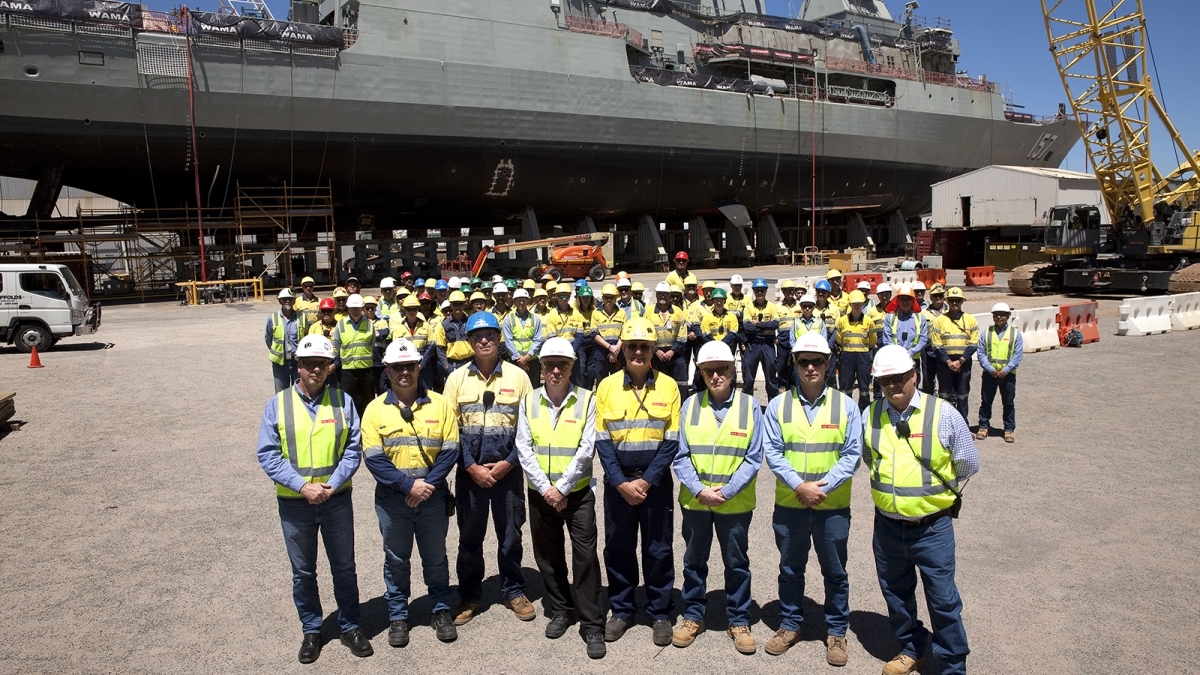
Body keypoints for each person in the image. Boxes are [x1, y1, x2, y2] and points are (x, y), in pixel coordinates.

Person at [255, 334, 371, 664]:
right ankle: (312, 630)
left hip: (335, 499)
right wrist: (303, 486)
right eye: (309, 364)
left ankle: (350, 627)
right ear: (298, 367)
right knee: (303, 572)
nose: (314, 370)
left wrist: (333, 484)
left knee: (344, 567)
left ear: (329, 368)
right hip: (295, 503)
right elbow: (268, 454)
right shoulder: (277, 404)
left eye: (321, 364)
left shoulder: (342, 401)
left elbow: (352, 450)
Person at [865, 345, 979, 675]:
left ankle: (952, 666)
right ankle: (911, 647)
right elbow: (870, 459)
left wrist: (929, 495)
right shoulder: (870, 414)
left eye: (899, 378)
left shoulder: (943, 413)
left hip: (932, 529)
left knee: (943, 601)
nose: (892, 385)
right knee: (896, 595)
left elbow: (968, 463)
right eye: (885, 380)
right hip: (886, 526)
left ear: (914, 375)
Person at [762, 332, 862, 664]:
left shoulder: (846, 405)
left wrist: (823, 487)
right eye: (803, 361)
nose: (810, 367)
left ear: (828, 363)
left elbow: (852, 454)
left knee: (835, 571)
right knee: (790, 569)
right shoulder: (778, 405)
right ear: (794, 364)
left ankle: (836, 632)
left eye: (816, 361)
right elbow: (773, 453)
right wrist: (799, 486)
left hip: (831, 506)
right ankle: (790, 625)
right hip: (791, 504)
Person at [362, 339, 461, 648]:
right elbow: (374, 458)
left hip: (432, 495)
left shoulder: (440, 404)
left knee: (435, 558)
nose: (404, 372)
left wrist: (425, 486)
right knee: (395, 559)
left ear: (419, 367)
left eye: (409, 366)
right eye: (396, 368)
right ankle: (398, 616)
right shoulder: (375, 410)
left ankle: (441, 610)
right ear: (387, 371)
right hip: (394, 499)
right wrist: (409, 486)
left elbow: (450, 449)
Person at [514, 338, 607, 660]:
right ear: (541, 368)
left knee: (585, 557)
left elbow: (587, 447)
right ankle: (560, 609)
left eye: (562, 365)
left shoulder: (587, 400)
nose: (555, 370)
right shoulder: (529, 401)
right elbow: (523, 447)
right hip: (541, 493)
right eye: (549, 364)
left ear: (572, 367)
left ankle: (592, 624)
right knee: (548, 557)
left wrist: (562, 488)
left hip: (577, 493)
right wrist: (546, 488)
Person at [442, 312, 535, 626]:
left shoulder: (518, 377)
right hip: (472, 475)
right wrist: (470, 467)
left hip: (508, 474)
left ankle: (513, 589)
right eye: (477, 335)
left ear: (499, 339)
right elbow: (449, 429)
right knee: (470, 538)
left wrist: (509, 463)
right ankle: (469, 595)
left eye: (490, 335)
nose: (484, 340)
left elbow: (528, 428)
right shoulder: (455, 379)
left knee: (510, 534)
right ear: (469, 341)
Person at [671, 341, 763, 655]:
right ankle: (693, 615)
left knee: (737, 563)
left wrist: (726, 491)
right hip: (696, 501)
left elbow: (753, 457)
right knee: (694, 561)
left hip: (733, 503)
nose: (716, 376)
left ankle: (738, 619)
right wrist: (699, 490)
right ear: (701, 373)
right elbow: (680, 455)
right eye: (709, 371)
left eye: (722, 369)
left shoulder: (749, 406)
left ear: (732, 369)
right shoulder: (690, 405)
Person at [595, 317, 681, 647]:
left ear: (653, 350)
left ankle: (660, 612)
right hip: (618, 485)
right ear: (624, 349)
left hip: (654, 484)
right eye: (632, 346)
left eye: (645, 347)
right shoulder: (606, 387)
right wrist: (619, 482)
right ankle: (622, 609)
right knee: (618, 548)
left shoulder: (669, 386)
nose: (638, 352)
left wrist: (647, 481)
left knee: (658, 549)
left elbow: (671, 440)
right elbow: (602, 440)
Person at [976, 302, 1022, 443]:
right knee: (986, 401)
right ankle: (983, 426)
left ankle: (1008, 429)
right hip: (990, 374)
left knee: (1008, 402)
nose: (999, 317)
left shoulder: (1015, 334)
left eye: (1002, 314)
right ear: (993, 316)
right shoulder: (986, 333)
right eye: (996, 314)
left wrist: (1006, 370)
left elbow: (1017, 355)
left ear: (1008, 316)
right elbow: (981, 353)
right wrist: (991, 369)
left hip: (1007, 375)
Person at [930, 288, 979, 421]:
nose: (954, 303)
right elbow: (936, 344)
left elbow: (974, 343)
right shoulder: (939, 320)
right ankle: (945, 424)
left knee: (962, 395)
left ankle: (963, 425)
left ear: (962, 301)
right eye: (951, 300)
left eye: (957, 300)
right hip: (945, 363)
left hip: (963, 362)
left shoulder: (970, 320)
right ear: (948, 302)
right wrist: (948, 362)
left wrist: (961, 360)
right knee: (944, 395)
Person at [332, 294, 378, 420]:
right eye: (352, 307)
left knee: (367, 401)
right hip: (348, 371)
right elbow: (336, 345)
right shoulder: (340, 325)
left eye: (357, 307)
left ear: (362, 308)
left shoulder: (369, 324)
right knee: (348, 402)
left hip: (366, 370)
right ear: (348, 308)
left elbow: (372, 344)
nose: (355, 310)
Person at [835, 290, 876, 410]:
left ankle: (864, 411)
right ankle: (846, 409)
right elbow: (839, 338)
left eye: (859, 303)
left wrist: (866, 350)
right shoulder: (842, 321)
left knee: (864, 386)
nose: (856, 305)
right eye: (854, 303)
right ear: (850, 304)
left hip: (863, 356)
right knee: (846, 384)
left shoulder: (869, 321)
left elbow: (872, 340)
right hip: (847, 355)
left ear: (863, 303)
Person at [646, 281, 688, 397]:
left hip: (676, 354)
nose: (662, 296)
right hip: (656, 354)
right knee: (660, 384)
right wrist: (655, 350)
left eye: (665, 294)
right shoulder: (648, 312)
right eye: (660, 294)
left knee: (681, 383)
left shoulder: (678, 312)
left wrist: (672, 351)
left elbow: (683, 334)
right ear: (656, 295)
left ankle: (683, 408)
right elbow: (646, 334)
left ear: (669, 296)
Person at [741, 278, 781, 399]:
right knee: (748, 377)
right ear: (753, 291)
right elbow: (747, 327)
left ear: (766, 291)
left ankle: (773, 405)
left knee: (771, 376)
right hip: (752, 345)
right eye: (757, 290)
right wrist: (765, 329)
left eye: (762, 290)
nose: (760, 293)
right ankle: (747, 405)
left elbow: (775, 324)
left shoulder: (772, 307)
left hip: (767, 345)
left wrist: (757, 324)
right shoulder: (748, 307)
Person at [882, 285, 927, 390]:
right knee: (895, 387)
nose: (905, 301)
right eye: (902, 299)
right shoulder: (890, 318)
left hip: (913, 359)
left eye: (908, 299)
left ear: (913, 301)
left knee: (912, 387)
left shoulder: (920, 318)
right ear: (898, 301)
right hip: (894, 359)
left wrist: (910, 353)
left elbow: (923, 340)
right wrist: (899, 354)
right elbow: (887, 340)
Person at [390, 295, 436, 390]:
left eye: (414, 309)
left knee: (425, 392)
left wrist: (422, 364)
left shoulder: (426, 325)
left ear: (417, 309)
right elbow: (396, 348)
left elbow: (431, 346)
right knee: (408, 391)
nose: (412, 312)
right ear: (405, 310)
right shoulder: (398, 328)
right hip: (406, 365)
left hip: (424, 364)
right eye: (409, 309)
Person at [267, 288, 308, 393]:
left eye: (290, 299)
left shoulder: (302, 317)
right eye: (284, 299)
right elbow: (268, 337)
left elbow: (306, 337)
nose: (287, 301)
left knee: (300, 392)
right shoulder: (273, 318)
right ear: (280, 301)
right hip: (280, 363)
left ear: (294, 300)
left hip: (298, 362)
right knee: (281, 394)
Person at [503, 289, 544, 385]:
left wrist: (526, 357)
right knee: (514, 387)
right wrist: (519, 359)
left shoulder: (535, 319)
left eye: (524, 300)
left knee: (533, 387)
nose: (521, 302)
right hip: (514, 361)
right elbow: (508, 341)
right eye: (518, 300)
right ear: (514, 301)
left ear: (528, 301)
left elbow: (538, 340)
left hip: (532, 361)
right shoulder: (509, 319)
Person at [591, 284, 627, 382]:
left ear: (616, 298)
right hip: (601, 351)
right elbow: (594, 334)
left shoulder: (621, 313)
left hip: (617, 351)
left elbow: (624, 334)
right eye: (606, 297)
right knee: (601, 381)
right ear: (602, 298)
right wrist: (610, 347)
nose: (609, 300)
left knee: (617, 382)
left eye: (611, 297)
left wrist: (615, 350)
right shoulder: (596, 313)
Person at [921, 284, 947, 395]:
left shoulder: (950, 312)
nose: (938, 298)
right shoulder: (923, 313)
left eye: (940, 295)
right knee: (928, 380)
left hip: (946, 353)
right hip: (929, 352)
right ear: (930, 297)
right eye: (935, 296)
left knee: (946, 381)